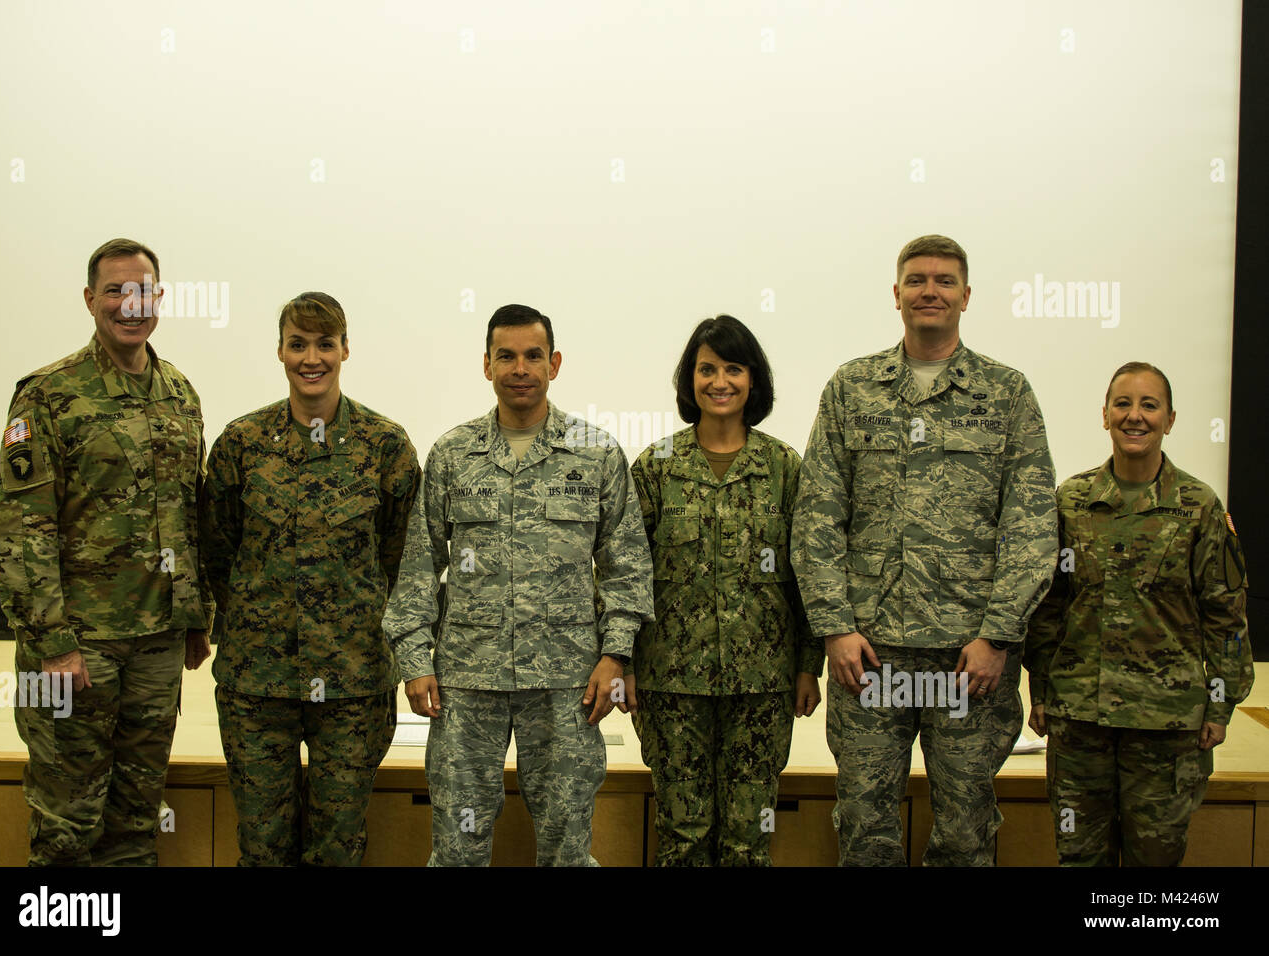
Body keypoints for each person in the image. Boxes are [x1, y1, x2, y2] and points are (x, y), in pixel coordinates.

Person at [792, 234, 1058, 866]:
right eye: (916, 280)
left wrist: (997, 636)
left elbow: (1032, 525)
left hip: (968, 663)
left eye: (943, 281)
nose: (929, 291)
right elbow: (817, 518)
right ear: (896, 295)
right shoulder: (852, 389)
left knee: (966, 830)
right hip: (872, 658)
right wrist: (834, 629)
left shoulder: (1006, 394)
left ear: (966, 296)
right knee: (864, 825)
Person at [383, 303, 653, 866]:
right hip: (465, 684)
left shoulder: (596, 453)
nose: (520, 368)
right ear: (486, 365)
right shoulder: (454, 454)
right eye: (506, 356)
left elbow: (627, 566)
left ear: (554, 364)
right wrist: (414, 660)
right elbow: (417, 566)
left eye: (533, 355)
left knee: (567, 847)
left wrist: (616, 655)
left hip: (567, 685)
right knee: (458, 847)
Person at [0, 238, 214, 866]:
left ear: (160, 300)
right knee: (67, 826)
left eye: (141, 289)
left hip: (155, 644)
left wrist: (196, 615)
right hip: (76, 647)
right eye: (115, 289)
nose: (129, 303)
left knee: (135, 822)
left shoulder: (180, 394)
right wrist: (53, 643)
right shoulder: (48, 395)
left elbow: (187, 515)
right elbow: (20, 530)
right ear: (90, 300)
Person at [200, 292, 422, 865]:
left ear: (346, 349)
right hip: (258, 687)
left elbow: (401, 560)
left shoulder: (385, 447)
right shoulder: (241, 444)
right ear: (279, 351)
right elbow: (218, 551)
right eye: (298, 343)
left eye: (325, 343)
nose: (311, 357)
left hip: (352, 686)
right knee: (263, 850)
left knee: (337, 850)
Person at [1025, 362, 1253, 866]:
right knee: (1078, 857)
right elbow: (1047, 607)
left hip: (1168, 728)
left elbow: (1226, 619)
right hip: (1079, 721)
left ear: (1170, 419)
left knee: (1155, 863)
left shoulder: (1199, 507)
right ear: (1104, 415)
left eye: (1149, 405)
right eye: (1123, 404)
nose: (1135, 416)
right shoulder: (1071, 502)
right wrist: (1041, 691)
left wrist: (1219, 706)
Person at [626, 315, 823, 866]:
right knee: (682, 834)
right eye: (706, 368)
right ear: (689, 380)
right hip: (672, 684)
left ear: (753, 380)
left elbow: (811, 573)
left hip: (763, 684)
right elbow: (624, 572)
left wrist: (809, 665)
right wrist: (625, 665)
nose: (720, 381)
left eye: (733, 368)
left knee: (747, 837)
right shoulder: (656, 467)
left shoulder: (785, 467)